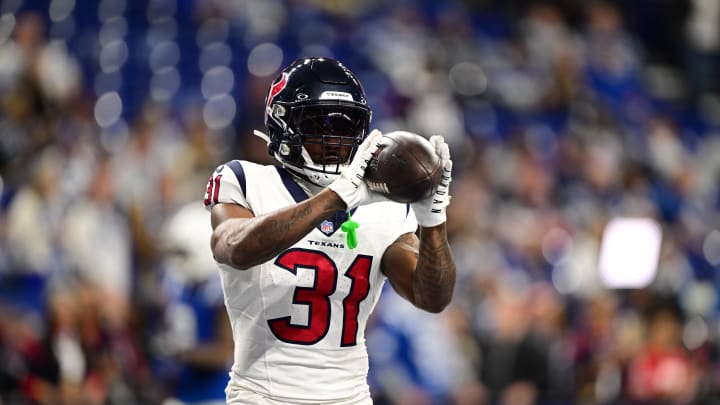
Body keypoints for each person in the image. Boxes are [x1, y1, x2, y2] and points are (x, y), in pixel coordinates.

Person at [204, 57, 455, 404]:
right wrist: (333, 199)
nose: (335, 139)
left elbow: (432, 297)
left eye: (346, 126)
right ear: (284, 124)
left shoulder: (384, 206)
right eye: (319, 123)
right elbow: (233, 247)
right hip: (262, 397)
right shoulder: (245, 180)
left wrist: (433, 221)